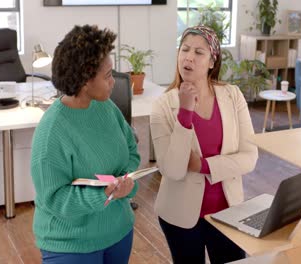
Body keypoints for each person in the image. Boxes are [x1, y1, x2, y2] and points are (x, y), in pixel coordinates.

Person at [30, 24, 140, 264]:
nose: (114, 81)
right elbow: (54, 198)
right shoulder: (51, 131)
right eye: (108, 75)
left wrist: (124, 182)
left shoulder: (107, 108)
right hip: (71, 245)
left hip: (119, 232)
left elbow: (131, 151)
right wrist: (103, 194)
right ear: (84, 80)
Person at [150, 25, 258, 263]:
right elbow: (173, 170)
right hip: (179, 216)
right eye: (185, 49)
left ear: (212, 61)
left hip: (228, 212)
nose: (189, 56)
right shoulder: (162, 106)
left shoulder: (233, 96)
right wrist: (185, 112)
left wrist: (203, 165)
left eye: (199, 52)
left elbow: (249, 157)